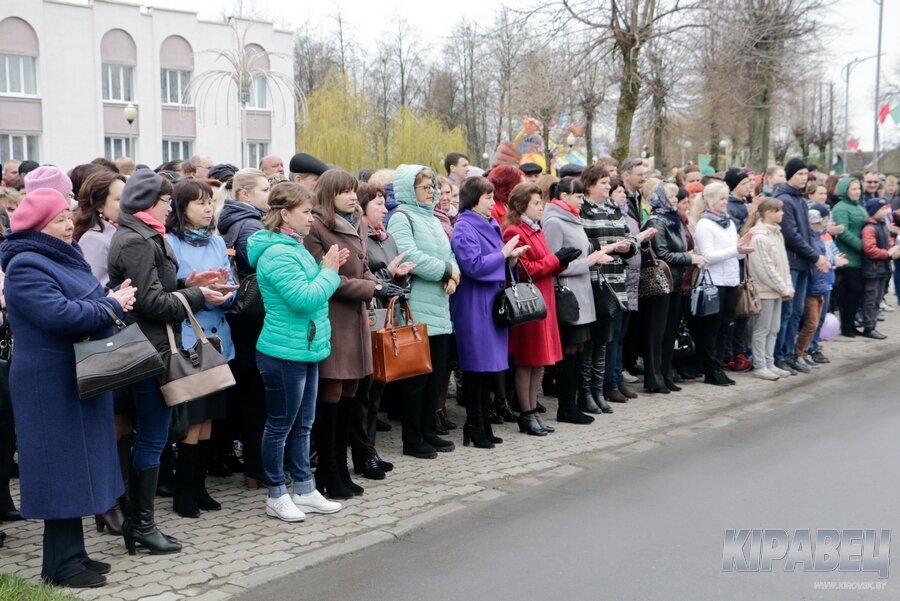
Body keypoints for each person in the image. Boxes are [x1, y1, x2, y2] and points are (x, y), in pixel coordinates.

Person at [1, 188, 137, 587]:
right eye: (59, 219)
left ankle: (74, 554)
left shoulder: (62, 255)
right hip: (48, 381)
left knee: (80, 466)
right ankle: (59, 567)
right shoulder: (26, 264)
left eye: (68, 216)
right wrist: (111, 305)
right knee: (59, 469)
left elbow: (84, 299)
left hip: (78, 372)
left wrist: (110, 298)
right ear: (38, 225)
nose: (68, 224)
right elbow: (59, 315)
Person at [108, 169, 230, 554]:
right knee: (152, 434)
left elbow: (159, 289)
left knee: (156, 433)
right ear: (148, 203)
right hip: (147, 349)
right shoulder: (137, 239)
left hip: (155, 346)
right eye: (165, 202)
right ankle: (142, 524)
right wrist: (197, 297)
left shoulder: (147, 234)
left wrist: (189, 285)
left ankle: (140, 523)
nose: (168, 209)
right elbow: (149, 303)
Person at [248, 182, 346, 522]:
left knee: (304, 424)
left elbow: (311, 287)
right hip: (283, 352)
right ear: (284, 214)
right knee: (280, 426)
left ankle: (304, 488)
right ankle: (276, 493)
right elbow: (304, 299)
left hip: (304, 348)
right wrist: (329, 273)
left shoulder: (295, 246)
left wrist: (327, 268)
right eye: (305, 212)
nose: (311, 218)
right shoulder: (277, 253)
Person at [306, 170, 403, 498]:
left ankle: (341, 467)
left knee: (352, 390)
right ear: (328, 194)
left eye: (352, 191)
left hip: (357, 317)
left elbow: (362, 268)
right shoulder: (316, 227)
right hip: (332, 317)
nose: (351, 196)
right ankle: (327, 471)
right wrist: (371, 287)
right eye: (344, 192)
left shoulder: (357, 223)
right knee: (332, 391)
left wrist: (375, 282)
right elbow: (324, 276)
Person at [167, 179, 237, 517]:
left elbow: (232, 285)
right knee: (191, 419)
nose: (208, 209)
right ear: (182, 209)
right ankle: (183, 491)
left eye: (210, 202)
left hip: (217, 337)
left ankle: (200, 486)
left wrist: (225, 292)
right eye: (200, 203)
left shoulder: (218, 241)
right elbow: (170, 290)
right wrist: (199, 291)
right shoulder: (170, 242)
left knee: (209, 416)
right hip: (189, 338)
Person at [387, 165, 459, 458]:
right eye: (425, 187)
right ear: (409, 189)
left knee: (435, 377)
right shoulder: (401, 217)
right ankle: (412, 439)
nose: (432, 192)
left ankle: (429, 431)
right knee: (415, 380)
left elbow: (449, 253)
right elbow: (411, 256)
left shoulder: (432, 218)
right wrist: (446, 271)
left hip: (440, 307)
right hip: (416, 309)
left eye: (432, 187)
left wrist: (454, 274)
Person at [451, 176, 528, 448]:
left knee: (488, 368)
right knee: (476, 368)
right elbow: (472, 265)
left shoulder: (490, 223)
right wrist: (503, 254)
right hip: (473, 303)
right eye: (487, 197)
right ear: (473, 199)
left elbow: (494, 261)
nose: (493, 203)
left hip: (490, 300)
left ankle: (483, 422)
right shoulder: (463, 227)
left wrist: (511, 259)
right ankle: (475, 424)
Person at [73, 169, 130, 536]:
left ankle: (118, 499)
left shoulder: (115, 231)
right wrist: (118, 293)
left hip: (120, 332)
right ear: (99, 205)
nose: (125, 204)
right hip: (105, 337)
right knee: (112, 423)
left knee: (122, 423)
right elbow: (90, 290)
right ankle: (107, 504)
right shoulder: (94, 239)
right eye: (118, 199)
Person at [503, 183, 575, 435]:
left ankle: (533, 410)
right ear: (521, 205)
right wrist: (556, 259)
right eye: (535, 203)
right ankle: (526, 413)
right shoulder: (514, 231)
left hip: (544, 300)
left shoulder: (536, 229)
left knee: (539, 361)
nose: (540, 207)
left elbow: (544, 263)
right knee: (527, 360)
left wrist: (562, 261)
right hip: (528, 303)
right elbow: (525, 270)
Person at [216, 168, 271, 487]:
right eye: (264, 190)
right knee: (255, 395)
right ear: (245, 194)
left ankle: (241, 460)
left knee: (242, 391)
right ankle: (256, 467)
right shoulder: (250, 225)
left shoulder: (231, 221)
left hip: (237, 315)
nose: (270, 196)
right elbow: (264, 264)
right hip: (252, 316)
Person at [543, 177, 611, 424]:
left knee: (579, 350)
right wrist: (588, 262)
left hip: (582, 293)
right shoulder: (554, 221)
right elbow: (554, 264)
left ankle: (572, 404)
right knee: (569, 352)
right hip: (568, 295)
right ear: (563, 197)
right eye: (578, 196)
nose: (582, 201)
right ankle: (566, 406)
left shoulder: (573, 218)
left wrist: (595, 258)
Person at [355, 183, 412, 478]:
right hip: (366, 315)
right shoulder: (359, 234)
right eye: (377, 204)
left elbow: (392, 275)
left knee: (377, 386)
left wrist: (398, 276)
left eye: (384, 203)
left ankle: (370, 450)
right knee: (364, 391)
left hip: (386, 314)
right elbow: (363, 274)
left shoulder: (385, 236)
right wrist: (389, 273)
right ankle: (363, 452)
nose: (384, 209)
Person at [579, 165, 638, 411]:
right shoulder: (582, 209)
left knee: (606, 338)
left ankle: (601, 388)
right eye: (603, 183)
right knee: (591, 339)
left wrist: (628, 246)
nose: (608, 187)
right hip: (593, 280)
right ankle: (587, 392)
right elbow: (581, 242)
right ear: (589, 185)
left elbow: (630, 237)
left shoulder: (613, 208)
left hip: (616, 278)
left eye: (608, 182)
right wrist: (609, 247)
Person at [642, 183, 708, 392]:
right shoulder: (656, 221)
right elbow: (661, 254)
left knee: (670, 332)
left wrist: (689, 255)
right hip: (660, 282)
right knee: (656, 332)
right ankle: (653, 378)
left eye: (674, 196)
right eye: (670, 196)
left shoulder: (673, 219)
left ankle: (666, 374)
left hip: (676, 282)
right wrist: (689, 258)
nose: (673, 200)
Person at [691, 182, 754, 386]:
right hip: (714, 281)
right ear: (710, 201)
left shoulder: (729, 222)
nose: (725, 202)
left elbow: (734, 252)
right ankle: (711, 369)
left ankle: (718, 365)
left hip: (730, 280)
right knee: (712, 328)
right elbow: (708, 256)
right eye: (721, 199)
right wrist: (736, 250)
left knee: (726, 326)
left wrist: (741, 248)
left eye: (726, 198)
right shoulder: (705, 224)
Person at [772, 159, 830, 376]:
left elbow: (807, 234)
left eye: (806, 174)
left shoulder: (800, 199)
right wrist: (815, 256)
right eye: (800, 174)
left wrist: (817, 256)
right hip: (792, 264)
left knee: (797, 313)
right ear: (790, 175)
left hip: (803, 262)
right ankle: (779, 356)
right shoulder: (785, 199)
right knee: (787, 313)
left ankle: (791, 354)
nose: (804, 178)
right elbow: (791, 235)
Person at [744, 198, 794, 380]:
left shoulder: (777, 234)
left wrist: (787, 285)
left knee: (774, 328)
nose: (782, 213)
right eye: (778, 210)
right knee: (762, 329)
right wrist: (783, 287)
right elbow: (764, 268)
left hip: (777, 290)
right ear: (768, 213)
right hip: (764, 290)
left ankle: (769, 362)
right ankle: (760, 365)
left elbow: (784, 264)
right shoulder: (759, 237)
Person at [798, 206, 847, 365]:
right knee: (811, 322)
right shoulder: (811, 239)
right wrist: (833, 261)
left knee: (819, 321)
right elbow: (820, 258)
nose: (825, 223)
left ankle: (812, 349)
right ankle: (801, 352)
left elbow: (834, 253)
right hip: (814, 284)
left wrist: (836, 260)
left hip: (826, 281)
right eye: (822, 221)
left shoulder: (825, 236)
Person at [831, 176, 868, 338]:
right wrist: (862, 245)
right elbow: (842, 232)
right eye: (853, 189)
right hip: (847, 255)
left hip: (860, 256)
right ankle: (846, 326)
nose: (857, 191)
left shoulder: (860, 207)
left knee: (857, 292)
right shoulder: (840, 208)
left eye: (858, 188)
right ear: (845, 191)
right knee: (853, 290)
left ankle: (851, 324)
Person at [859, 198, 897, 339]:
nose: (885, 211)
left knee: (878, 298)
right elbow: (870, 249)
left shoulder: (882, 225)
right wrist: (887, 254)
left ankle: (873, 324)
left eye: (886, 208)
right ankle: (868, 326)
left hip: (882, 268)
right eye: (882, 209)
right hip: (872, 269)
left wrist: (893, 248)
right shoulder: (869, 228)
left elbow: (888, 242)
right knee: (871, 298)